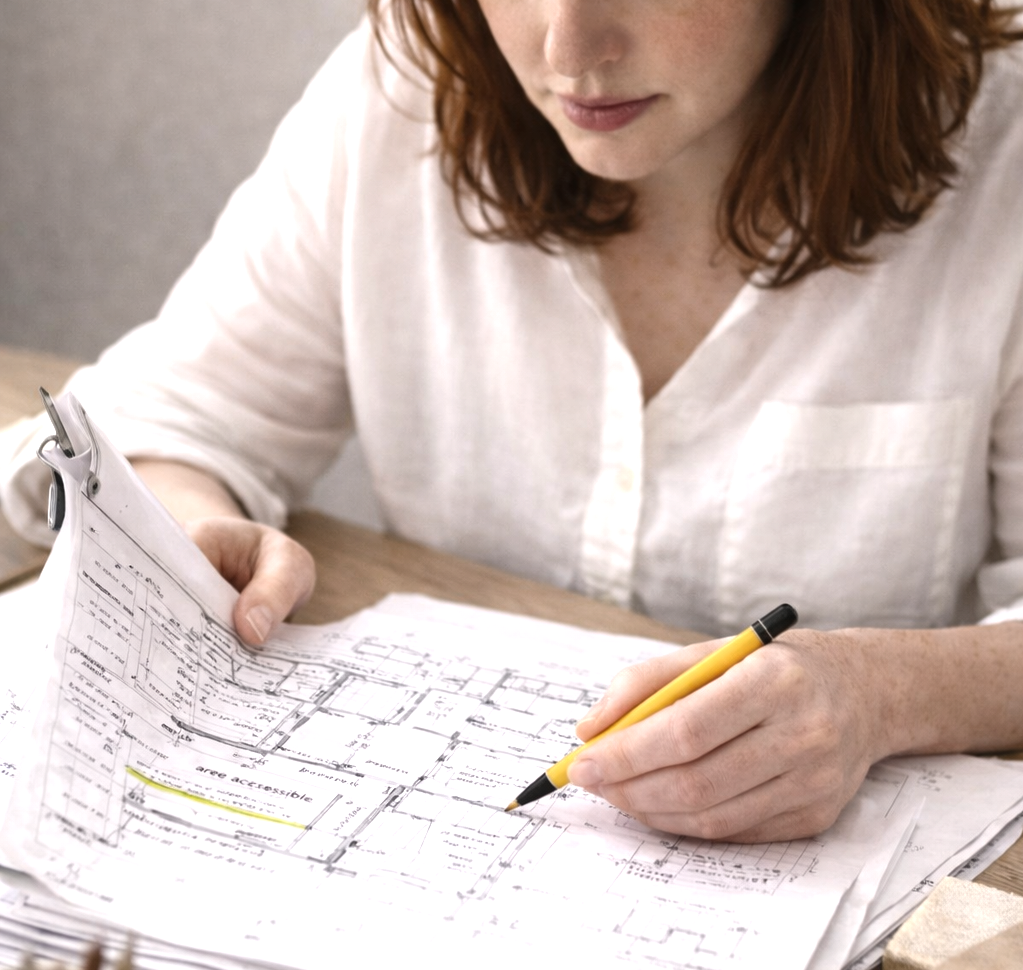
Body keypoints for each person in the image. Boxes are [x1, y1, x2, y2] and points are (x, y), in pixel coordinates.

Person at [2, 0, 1023, 843]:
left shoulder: (1004, 152)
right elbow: (184, 411)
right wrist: (188, 519)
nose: (569, 48)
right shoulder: (403, 93)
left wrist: (882, 693)